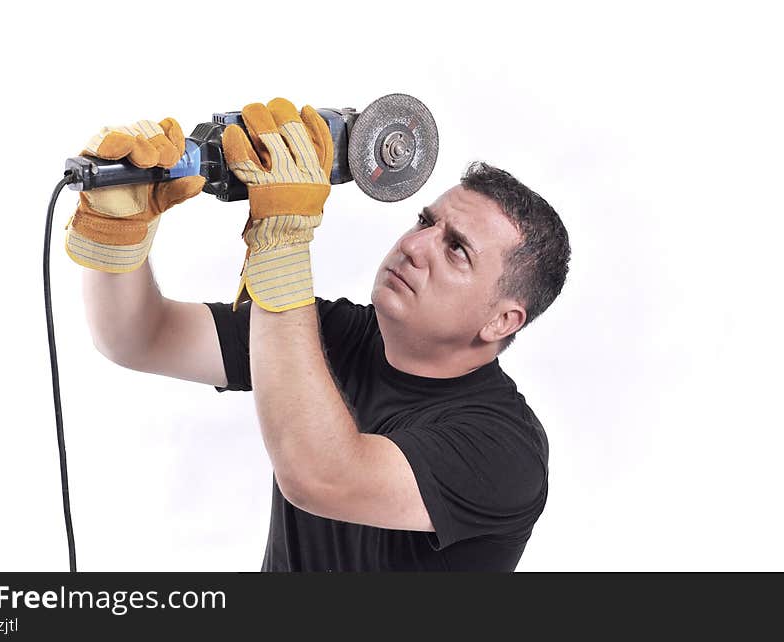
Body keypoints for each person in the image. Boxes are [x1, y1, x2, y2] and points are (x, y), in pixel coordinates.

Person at [66, 98, 571, 571]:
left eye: (456, 249)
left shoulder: (504, 450)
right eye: (425, 221)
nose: (415, 246)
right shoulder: (329, 333)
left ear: (502, 320)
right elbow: (138, 336)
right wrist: (121, 227)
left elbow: (322, 475)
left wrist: (283, 241)